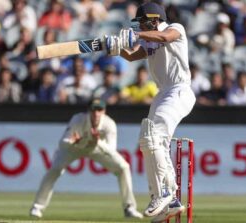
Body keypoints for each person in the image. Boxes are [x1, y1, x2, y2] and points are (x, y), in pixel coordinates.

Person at [104, 2, 196, 222]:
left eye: (144, 22)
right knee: (148, 141)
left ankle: (167, 192)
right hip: (162, 93)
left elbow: (164, 38)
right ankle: (165, 198)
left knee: (154, 136)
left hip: (179, 90)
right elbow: (133, 56)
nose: (141, 25)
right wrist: (116, 48)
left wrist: (135, 34)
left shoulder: (175, 29)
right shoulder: (148, 37)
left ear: (155, 19)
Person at [29, 98, 143, 219]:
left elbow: (111, 151)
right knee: (54, 169)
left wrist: (97, 141)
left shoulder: (109, 124)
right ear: (88, 111)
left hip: (97, 148)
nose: (96, 114)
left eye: (99, 110)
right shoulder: (77, 119)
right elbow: (62, 142)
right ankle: (37, 207)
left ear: (104, 111)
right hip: (74, 148)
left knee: (123, 167)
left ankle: (129, 208)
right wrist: (73, 142)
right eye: (93, 110)